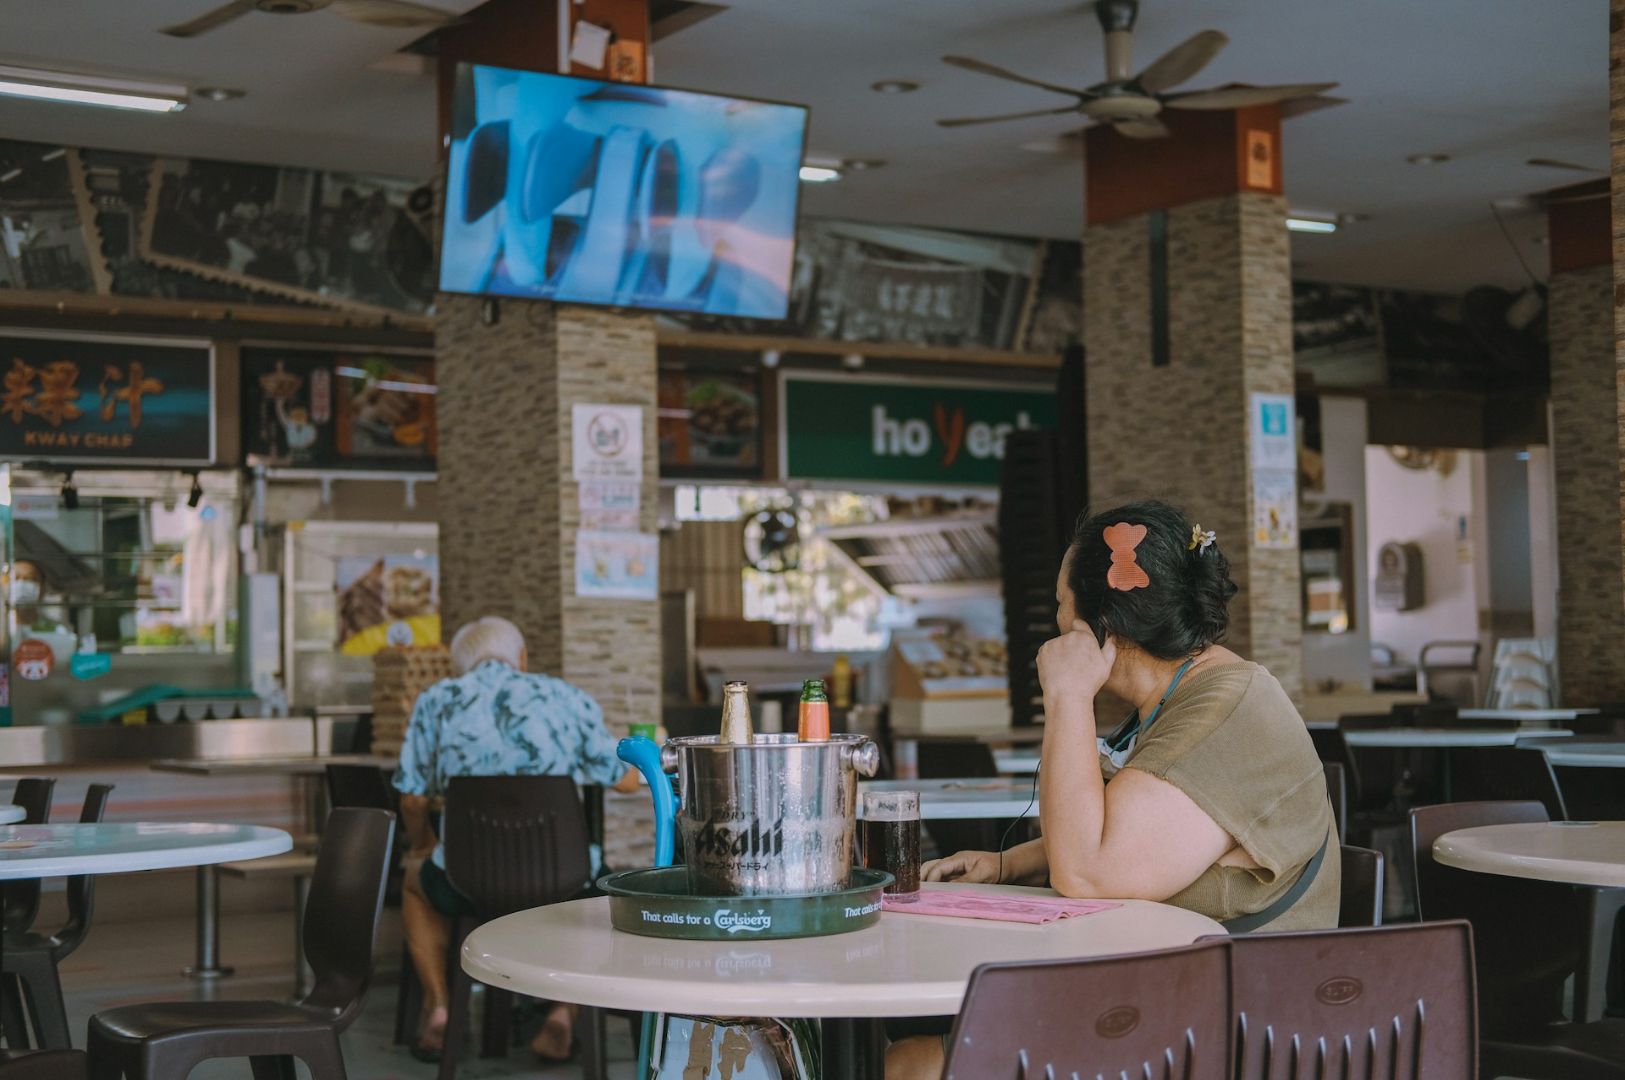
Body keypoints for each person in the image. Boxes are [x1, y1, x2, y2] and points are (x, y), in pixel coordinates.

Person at [886, 500, 1339, 1079]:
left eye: (1060, 606)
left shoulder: (1227, 709)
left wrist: (1069, 697)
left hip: (1234, 1033)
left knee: (911, 1066)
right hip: (1171, 999)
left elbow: (1090, 872)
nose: (1055, 623)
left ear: (1101, 623)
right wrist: (1008, 865)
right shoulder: (1179, 699)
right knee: (924, 1041)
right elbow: (1139, 835)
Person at [393, 615, 640, 1064]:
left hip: (466, 881)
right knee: (607, 903)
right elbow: (624, 781)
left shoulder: (437, 701)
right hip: (565, 880)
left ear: (459, 667)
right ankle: (563, 1015)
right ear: (522, 659)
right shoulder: (564, 697)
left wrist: (423, 844)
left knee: (414, 883)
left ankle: (441, 1007)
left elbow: (411, 799)